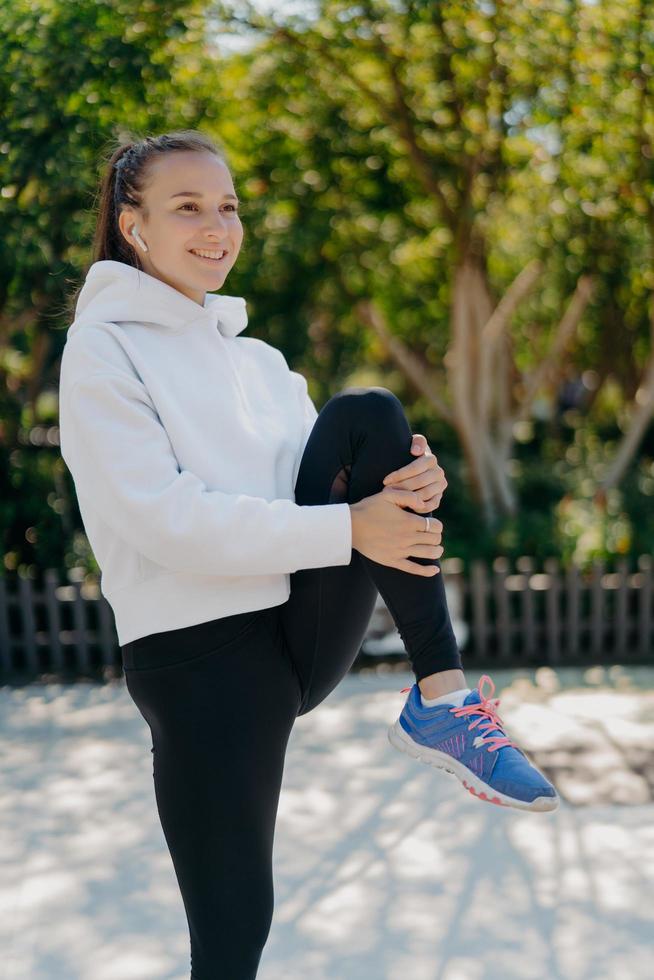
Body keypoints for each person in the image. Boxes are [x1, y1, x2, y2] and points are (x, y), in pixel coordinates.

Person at [58, 130, 559, 979]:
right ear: (132, 224)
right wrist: (350, 529)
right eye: (189, 208)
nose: (218, 226)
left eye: (228, 207)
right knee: (234, 926)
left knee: (369, 413)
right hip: (201, 660)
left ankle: (441, 699)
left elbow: (327, 487)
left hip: (298, 623)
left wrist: (406, 485)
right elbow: (162, 519)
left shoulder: (261, 361)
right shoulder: (104, 350)